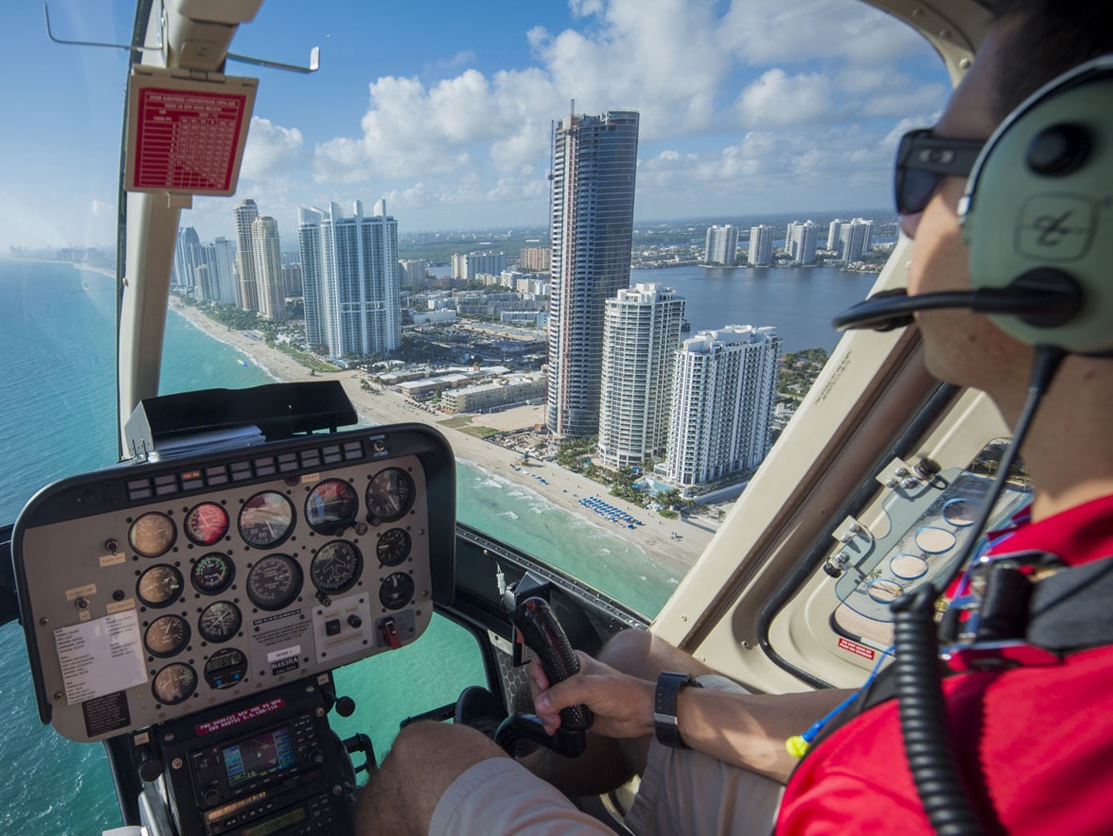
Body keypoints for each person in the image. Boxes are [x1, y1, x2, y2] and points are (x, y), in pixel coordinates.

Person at [354, 1, 1113, 832]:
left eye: (926, 168)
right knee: (639, 659)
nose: (908, 217)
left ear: (1062, 215)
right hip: (852, 765)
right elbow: (889, 710)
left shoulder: (981, 768)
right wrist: (659, 707)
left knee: (428, 757)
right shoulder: (1061, 562)